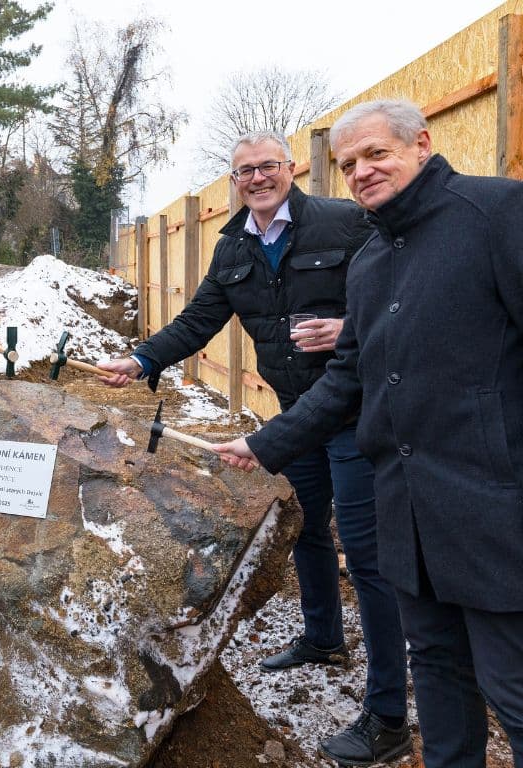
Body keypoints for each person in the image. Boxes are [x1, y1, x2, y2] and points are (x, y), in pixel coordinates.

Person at [214, 99, 523, 768]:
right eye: (349, 163)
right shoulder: (372, 255)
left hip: (495, 512)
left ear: (421, 144)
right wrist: (264, 444)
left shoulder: (496, 213)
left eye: (376, 154)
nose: (362, 171)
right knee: (439, 681)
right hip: (408, 511)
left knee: (513, 690)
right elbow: (347, 378)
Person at [97, 131, 410, 766]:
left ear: (290, 167)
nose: (257, 179)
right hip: (296, 415)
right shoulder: (234, 244)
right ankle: (323, 638)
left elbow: (405, 295)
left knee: (368, 554)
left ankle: (388, 714)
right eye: (244, 172)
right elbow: (199, 318)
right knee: (307, 530)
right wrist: (139, 359)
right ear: (234, 180)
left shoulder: (346, 223)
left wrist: (351, 328)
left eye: (267, 166)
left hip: (354, 414)